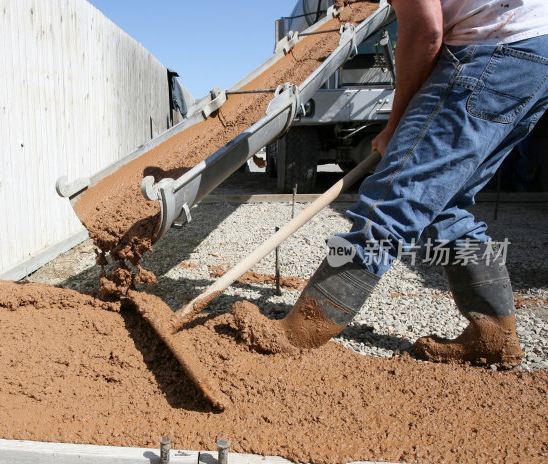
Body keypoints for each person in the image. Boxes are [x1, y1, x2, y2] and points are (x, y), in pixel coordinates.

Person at [233, 0, 548, 368]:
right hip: (535, 54)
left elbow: (426, 32)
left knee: (391, 200)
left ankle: (300, 331)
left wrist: (396, 123)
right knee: (444, 204)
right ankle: (493, 332)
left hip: (492, 50)